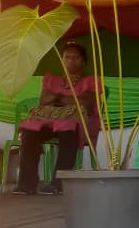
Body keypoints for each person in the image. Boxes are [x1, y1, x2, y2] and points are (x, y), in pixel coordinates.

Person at [13, 42, 101, 195]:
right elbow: (44, 100)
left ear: (83, 61)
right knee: (29, 132)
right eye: (67, 57)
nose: (70, 61)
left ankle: (58, 184)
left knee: (69, 129)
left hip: (78, 122)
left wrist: (57, 97)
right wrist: (69, 99)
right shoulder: (51, 79)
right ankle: (27, 184)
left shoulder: (91, 81)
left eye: (75, 57)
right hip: (50, 121)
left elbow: (86, 102)